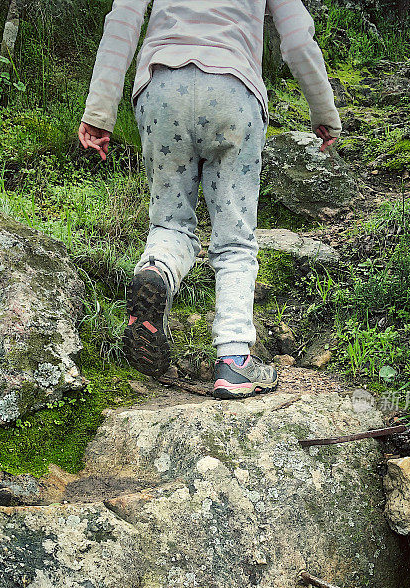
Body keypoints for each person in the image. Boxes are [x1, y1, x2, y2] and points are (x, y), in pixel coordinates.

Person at [79, 0, 341, 399]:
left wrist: (99, 112)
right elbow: (297, 37)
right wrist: (322, 108)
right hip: (234, 90)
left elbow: (123, 23)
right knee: (235, 235)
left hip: (162, 87)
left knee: (170, 223)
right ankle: (235, 362)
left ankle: (157, 270)